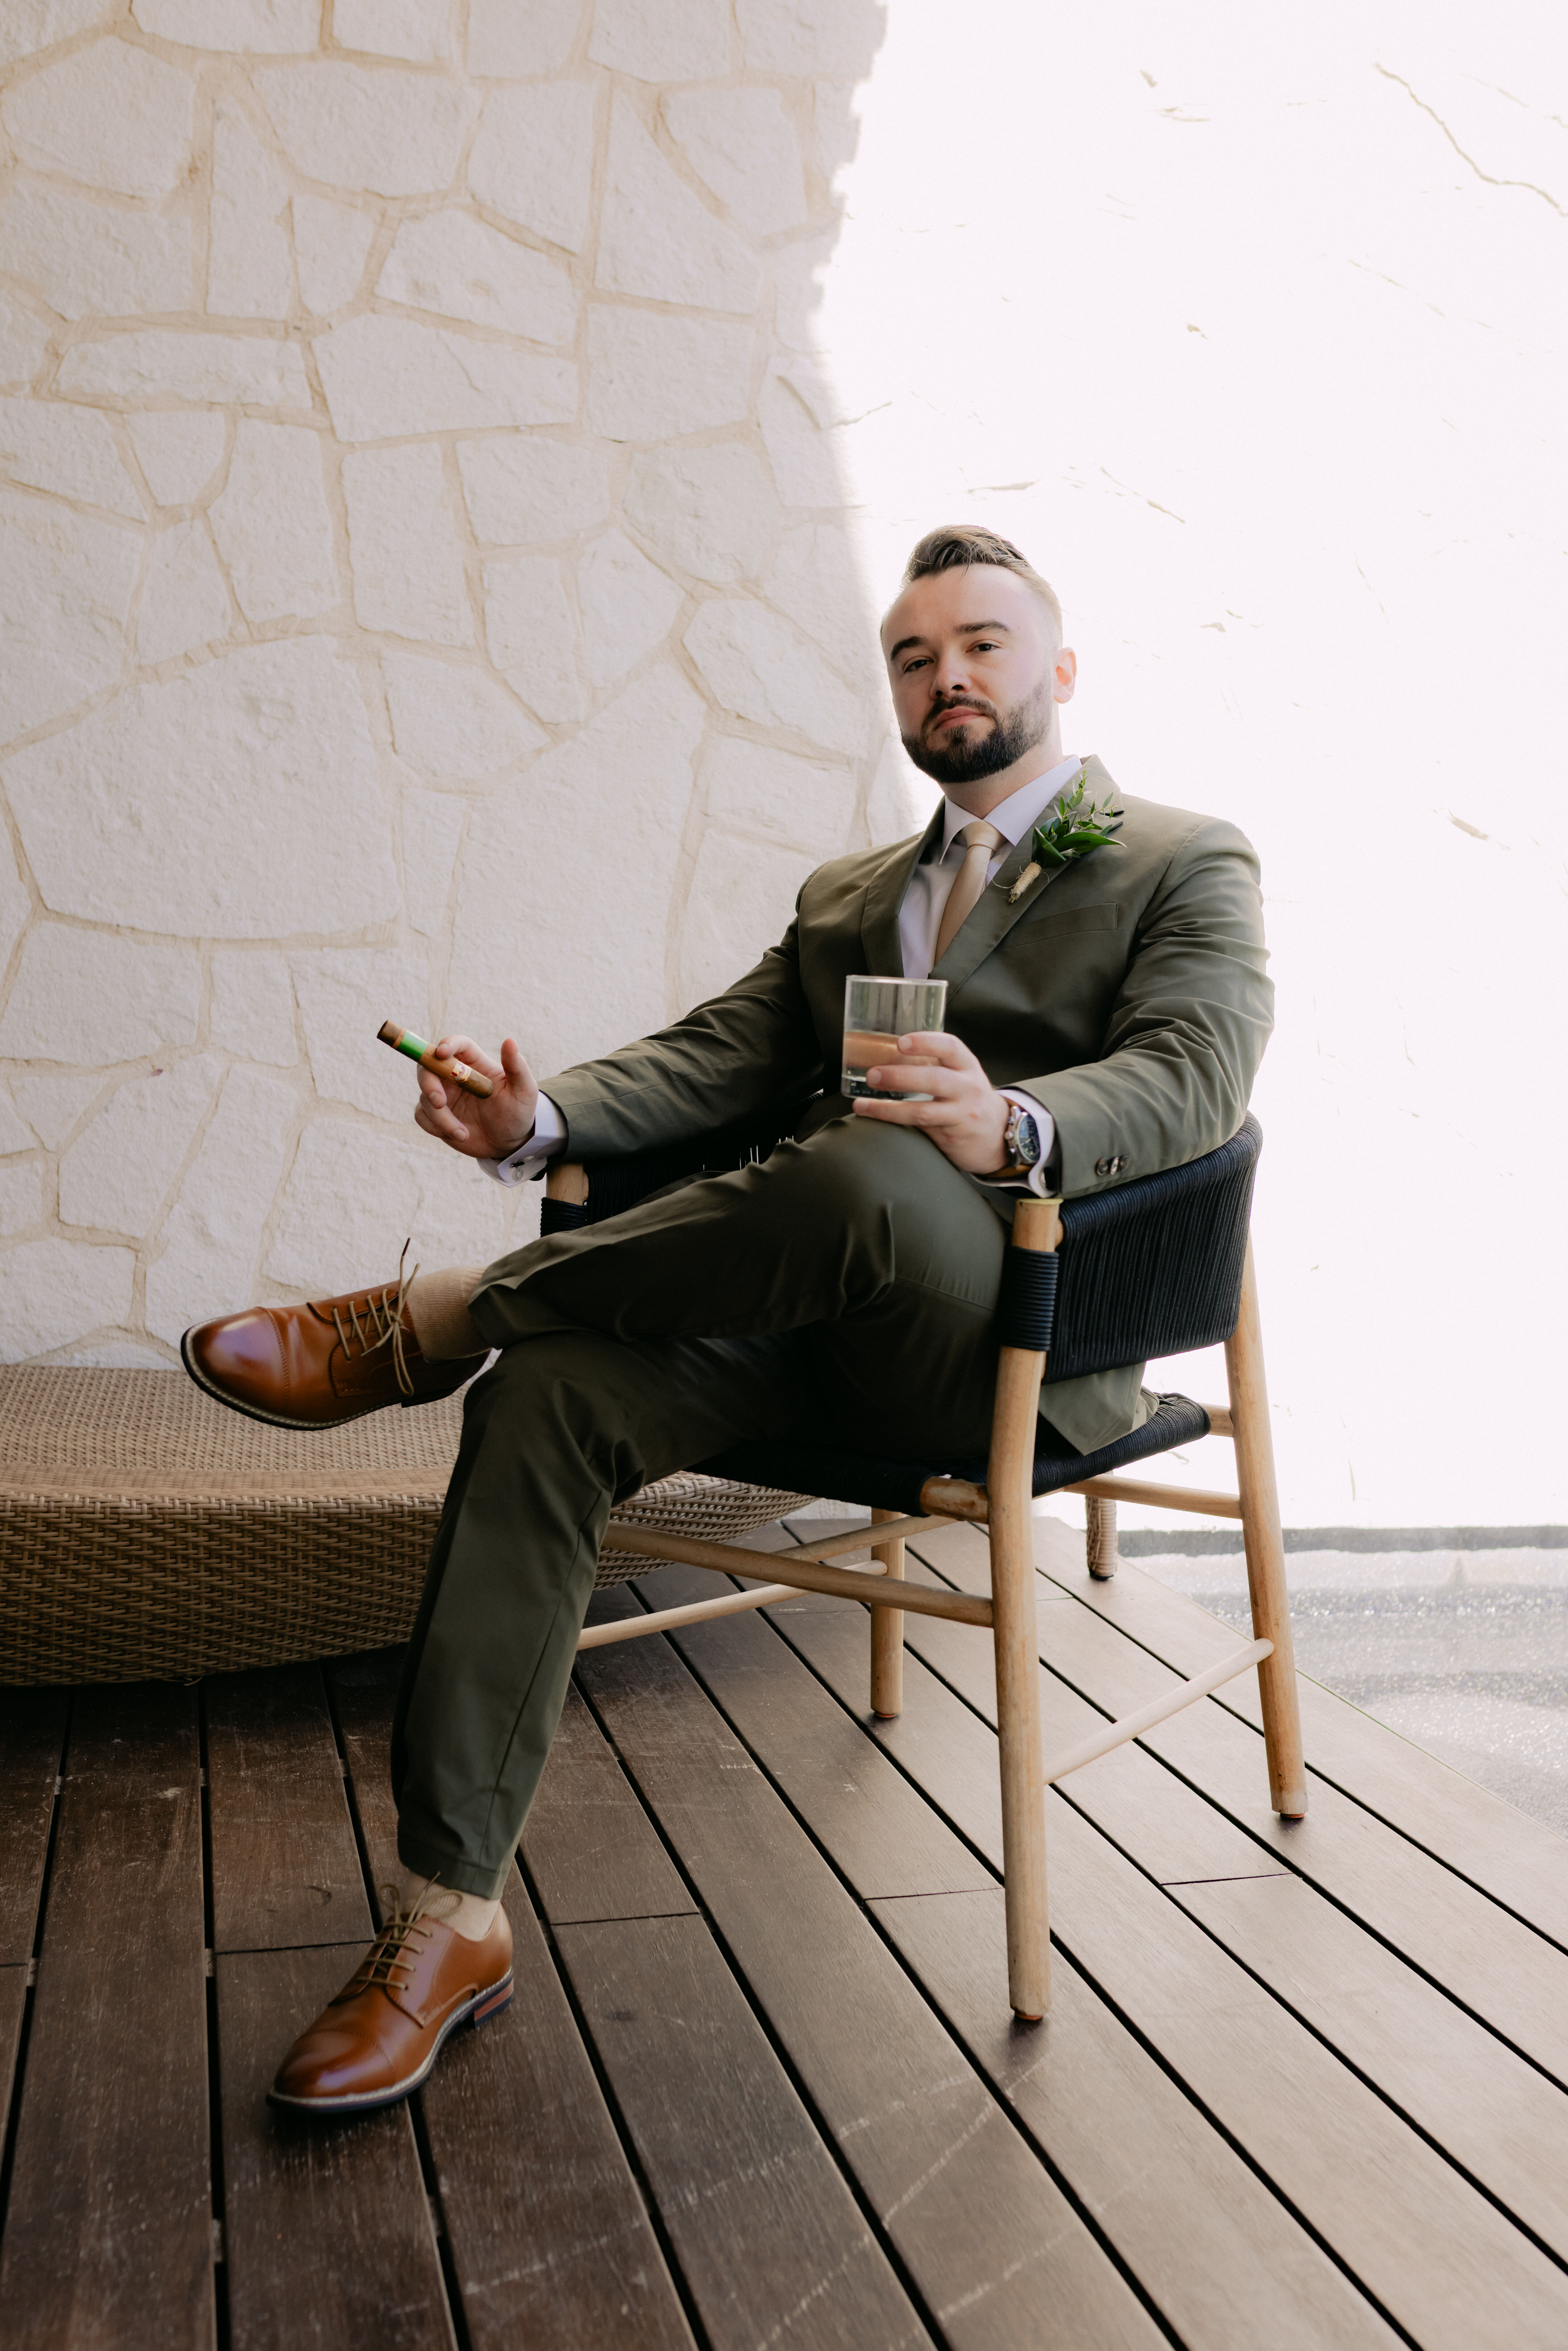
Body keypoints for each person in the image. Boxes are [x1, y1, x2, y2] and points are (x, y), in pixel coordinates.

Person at [183, 525, 1273, 2114]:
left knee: (876, 1168)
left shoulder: (1182, 859)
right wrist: (534, 1119)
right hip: (806, 1311)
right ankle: (445, 1918)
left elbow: (1197, 1073)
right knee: (547, 1397)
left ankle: (433, 1314)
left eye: (980, 643)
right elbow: (715, 1056)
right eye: (915, 656)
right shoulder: (851, 898)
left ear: (1060, 668)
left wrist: (1011, 1125)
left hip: (1011, 1340)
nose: (947, 675)